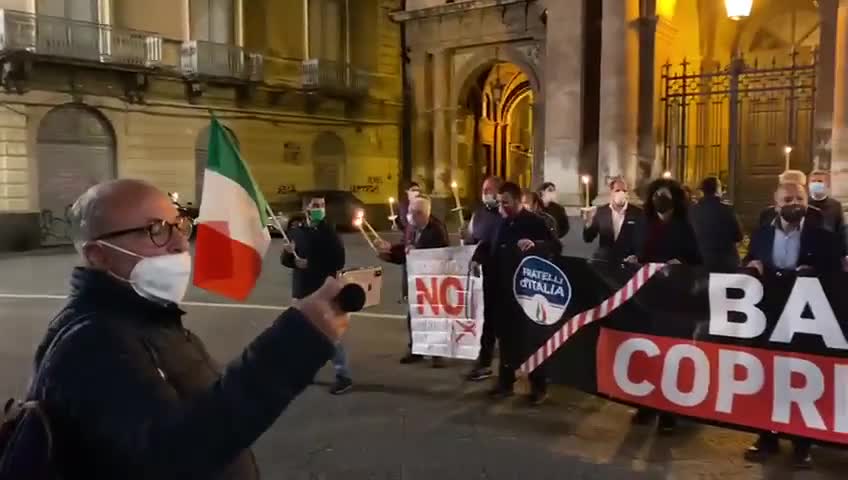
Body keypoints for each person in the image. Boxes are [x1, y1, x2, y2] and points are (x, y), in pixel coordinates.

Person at [8, 179, 348, 478]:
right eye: (156, 230)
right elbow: (173, 454)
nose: (181, 244)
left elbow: (210, 412)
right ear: (98, 255)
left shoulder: (148, 318)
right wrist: (297, 342)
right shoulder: (90, 343)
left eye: (178, 225)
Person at [743, 181, 844, 469]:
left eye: (799, 197)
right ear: (775, 204)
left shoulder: (823, 237)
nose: (794, 203)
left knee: (803, 380)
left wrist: (816, 273)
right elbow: (752, 259)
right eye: (787, 198)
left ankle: (802, 444)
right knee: (769, 378)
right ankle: (767, 437)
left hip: (807, 322)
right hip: (770, 320)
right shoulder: (762, 234)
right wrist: (751, 266)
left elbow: (835, 274)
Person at [473, 182, 561, 405]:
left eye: (506, 202)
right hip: (501, 289)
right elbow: (488, 245)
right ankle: (505, 382)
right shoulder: (500, 222)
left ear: (518, 200)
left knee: (530, 339)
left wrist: (536, 245)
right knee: (506, 339)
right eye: (500, 202)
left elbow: (555, 247)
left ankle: (538, 385)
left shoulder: (534, 222)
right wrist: (477, 258)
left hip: (526, 292)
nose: (501, 206)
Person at [627, 178, 701, 433]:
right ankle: (646, 404)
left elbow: (697, 258)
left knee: (671, 353)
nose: (660, 197)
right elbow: (636, 249)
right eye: (656, 193)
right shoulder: (644, 223)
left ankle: (669, 411)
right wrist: (634, 257)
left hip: (676, 297)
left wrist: (680, 264)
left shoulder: (686, 226)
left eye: (665, 193)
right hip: (647, 296)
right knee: (647, 352)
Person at [282, 196, 351, 395]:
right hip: (301, 290)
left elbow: (338, 262)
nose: (319, 209)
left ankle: (343, 375)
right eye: (315, 206)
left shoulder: (330, 232)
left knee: (328, 334)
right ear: (306, 209)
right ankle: (307, 370)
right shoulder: (297, 232)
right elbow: (286, 260)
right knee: (302, 333)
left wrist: (311, 265)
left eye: (322, 205)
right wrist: (290, 256)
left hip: (322, 291)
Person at [376, 195, 450, 367]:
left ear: (423, 214)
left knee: (433, 316)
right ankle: (416, 348)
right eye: (409, 211)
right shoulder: (411, 227)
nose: (408, 216)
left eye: (413, 212)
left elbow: (441, 255)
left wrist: (417, 252)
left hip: (431, 281)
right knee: (414, 315)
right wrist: (389, 252)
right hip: (412, 278)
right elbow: (404, 249)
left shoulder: (437, 230)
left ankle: (437, 353)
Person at [462, 176, 504, 382]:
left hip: (502, 277)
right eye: (484, 189)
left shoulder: (505, 216)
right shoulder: (478, 214)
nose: (486, 193)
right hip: (481, 277)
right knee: (485, 323)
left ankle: (508, 367)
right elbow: (472, 239)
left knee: (503, 325)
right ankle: (484, 362)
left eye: (491, 190)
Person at [582, 177, 644, 264]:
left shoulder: (637, 213)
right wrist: (588, 222)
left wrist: (637, 256)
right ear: (611, 192)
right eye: (617, 190)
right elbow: (588, 238)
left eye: (624, 191)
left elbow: (643, 238)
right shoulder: (601, 212)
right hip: (606, 261)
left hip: (629, 261)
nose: (621, 193)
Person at [690, 177, 743, 272]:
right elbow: (738, 236)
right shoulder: (727, 210)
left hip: (699, 262)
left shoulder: (692, 211)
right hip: (725, 263)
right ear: (718, 190)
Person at [759, 170, 823, 228]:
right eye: (788, 199)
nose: (794, 203)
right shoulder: (768, 214)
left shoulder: (815, 214)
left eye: (800, 199)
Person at [808, 170, 847, 262]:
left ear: (828, 184)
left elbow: (840, 230)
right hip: (808, 251)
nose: (816, 184)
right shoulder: (804, 203)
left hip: (829, 252)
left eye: (820, 181)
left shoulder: (835, 205)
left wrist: (844, 253)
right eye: (813, 181)